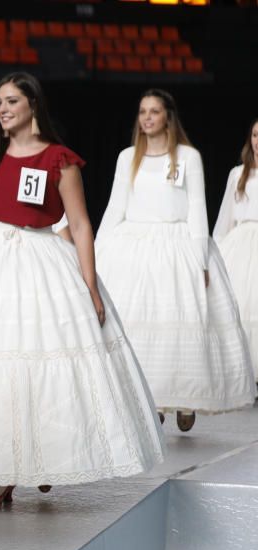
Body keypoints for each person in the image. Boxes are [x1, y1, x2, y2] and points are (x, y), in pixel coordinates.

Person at [0, 72, 165, 512]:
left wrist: (90, 287)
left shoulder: (59, 160)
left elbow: (79, 225)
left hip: (43, 266)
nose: (2, 109)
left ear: (32, 105)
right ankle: (2, 472)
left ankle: (43, 460)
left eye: (11, 101)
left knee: (45, 369)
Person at [95, 90, 256, 430]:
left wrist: (201, 260)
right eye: (142, 111)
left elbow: (198, 207)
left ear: (168, 116)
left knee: (179, 324)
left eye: (154, 111)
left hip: (176, 244)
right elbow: (115, 205)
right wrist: (97, 250)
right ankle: (152, 398)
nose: (147, 117)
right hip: (135, 246)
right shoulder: (128, 157)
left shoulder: (187, 156)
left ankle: (186, 398)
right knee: (141, 326)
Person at [213, 118, 258, 377]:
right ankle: (243, 372)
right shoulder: (237, 174)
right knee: (240, 303)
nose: (257, 141)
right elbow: (225, 217)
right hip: (240, 243)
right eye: (254, 135)